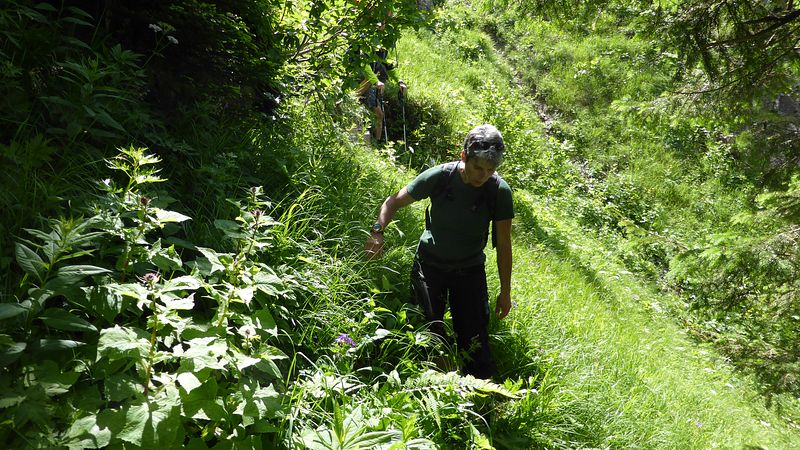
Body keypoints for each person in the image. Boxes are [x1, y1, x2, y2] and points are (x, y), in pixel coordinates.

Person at [364, 124, 514, 379]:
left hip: (469, 269)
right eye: (478, 168)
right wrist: (377, 232)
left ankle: (480, 390)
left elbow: (504, 245)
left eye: (490, 170)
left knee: (474, 339)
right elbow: (393, 202)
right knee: (427, 330)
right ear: (464, 156)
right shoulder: (441, 177)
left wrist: (505, 291)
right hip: (430, 264)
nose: (483, 176)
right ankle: (433, 381)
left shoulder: (499, 191)